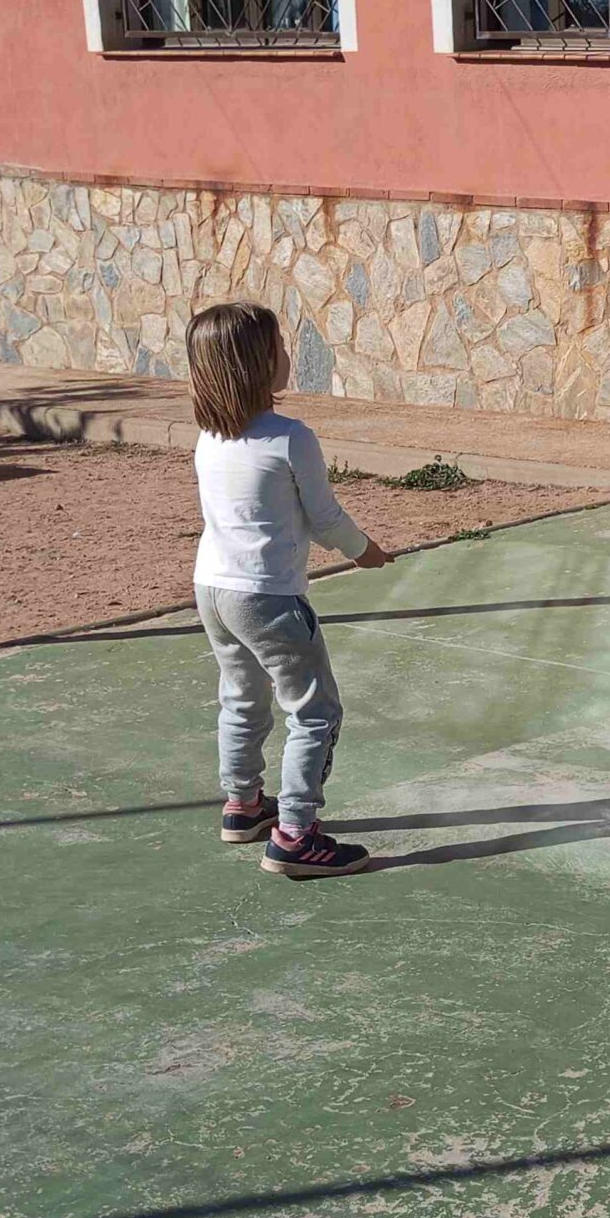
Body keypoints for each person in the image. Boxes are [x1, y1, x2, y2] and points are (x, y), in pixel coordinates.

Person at [187, 300, 391, 880]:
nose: (286, 354)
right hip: (267, 597)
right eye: (278, 346)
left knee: (241, 696)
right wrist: (365, 551)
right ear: (256, 363)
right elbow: (325, 519)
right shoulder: (290, 437)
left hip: (212, 588)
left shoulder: (209, 437)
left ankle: (243, 804)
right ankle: (296, 835)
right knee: (315, 711)